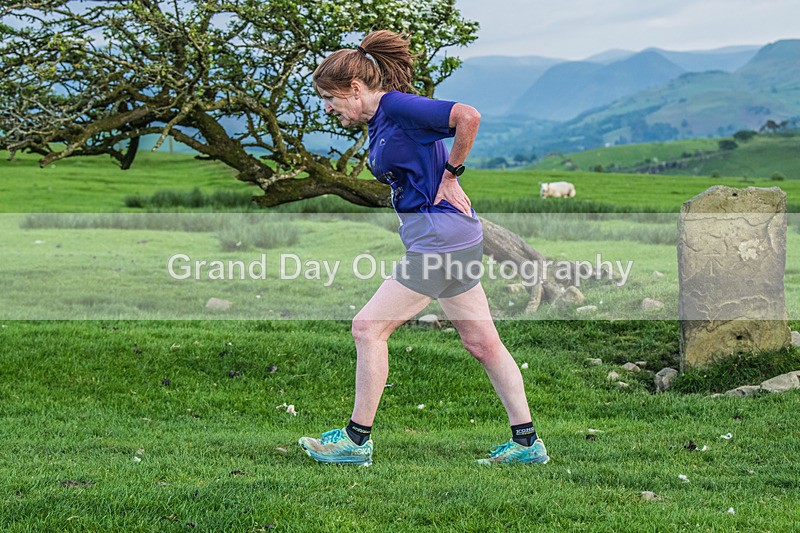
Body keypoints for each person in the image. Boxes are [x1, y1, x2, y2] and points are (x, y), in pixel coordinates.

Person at [298, 30, 548, 466]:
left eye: (330, 97)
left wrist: (452, 174)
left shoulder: (397, 106)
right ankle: (527, 444)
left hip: (440, 242)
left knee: (367, 328)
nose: (327, 107)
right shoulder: (382, 120)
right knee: (483, 343)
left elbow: (468, 116)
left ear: (355, 89)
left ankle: (355, 442)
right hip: (453, 238)